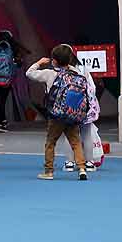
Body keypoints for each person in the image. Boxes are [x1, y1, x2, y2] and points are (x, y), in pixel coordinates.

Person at [27, 45, 89, 181]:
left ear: (53, 60)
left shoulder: (50, 74)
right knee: (76, 142)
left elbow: (29, 73)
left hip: (56, 115)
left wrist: (39, 63)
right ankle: (82, 168)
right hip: (72, 113)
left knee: (50, 142)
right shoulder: (76, 73)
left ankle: (48, 171)